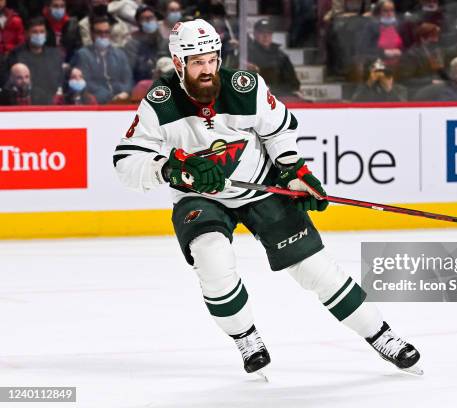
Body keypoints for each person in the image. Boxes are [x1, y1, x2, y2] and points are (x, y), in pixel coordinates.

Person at [113, 19, 422, 376]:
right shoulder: (159, 103)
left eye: (212, 59)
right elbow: (126, 162)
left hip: (260, 187)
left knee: (314, 268)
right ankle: (245, 336)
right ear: (179, 62)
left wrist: (295, 172)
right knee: (212, 258)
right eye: (197, 62)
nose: (207, 69)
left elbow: (278, 133)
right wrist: (172, 168)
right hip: (199, 197)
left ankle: (381, 335)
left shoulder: (245, 88)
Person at [72, 15, 132, 104]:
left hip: (121, 99)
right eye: (99, 32)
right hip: (98, 100)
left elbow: (128, 79)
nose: (103, 36)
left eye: (106, 32)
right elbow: (86, 81)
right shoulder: (83, 54)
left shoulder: (120, 54)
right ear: (92, 34)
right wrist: (109, 96)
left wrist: (124, 92)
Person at [8, 16, 63, 104]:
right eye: (35, 32)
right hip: (25, 104)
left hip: (52, 105)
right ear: (26, 33)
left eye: (42, 32)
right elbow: (9, 84)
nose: (39, 35)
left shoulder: (55, 55)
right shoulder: (16, 55)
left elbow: (60, 82)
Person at [247, 18, 301, 98]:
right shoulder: (247, 54)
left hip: (277, 98)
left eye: (268, 33)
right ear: (255, 34)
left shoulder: (281, 57)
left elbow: (293, 84)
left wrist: (272, 89)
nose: (265, 36)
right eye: (261, 33)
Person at [397, 22, 445, 97]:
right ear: (422, 38)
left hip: (436, 87)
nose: (436, 40)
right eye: (433, 37)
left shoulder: (435, 50)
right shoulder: (411, 55)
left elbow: (439, 71)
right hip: (418, 90)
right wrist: (431, 82)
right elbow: (406, 80)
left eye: (437, 36)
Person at [124, 5, 170, 83]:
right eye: (144, 18)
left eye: (151, 17)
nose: (149, 21)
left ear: (156, 20)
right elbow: (129, 73)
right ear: (138, 22)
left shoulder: (166, 43)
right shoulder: (131, 45)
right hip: (143, 84)